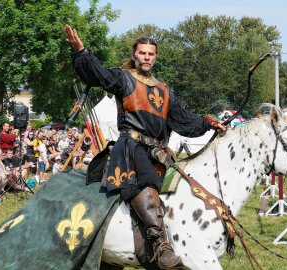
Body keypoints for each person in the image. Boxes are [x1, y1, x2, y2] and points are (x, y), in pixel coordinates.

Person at [64, 24, 226, 269]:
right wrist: (81, 52)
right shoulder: (123, 78)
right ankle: (160, 245)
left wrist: (208, 122)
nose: (146, 57)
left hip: (159, 151)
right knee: (146, 180)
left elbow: (183, 120)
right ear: (134, 55)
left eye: (151, 53)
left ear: (155, 57)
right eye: (142, 53)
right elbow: (98, 75)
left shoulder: (164, 89)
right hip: (131, 147)